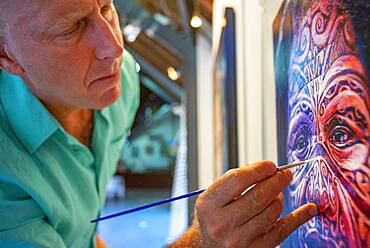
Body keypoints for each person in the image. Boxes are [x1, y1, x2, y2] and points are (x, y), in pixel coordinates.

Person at [0, 1, 318, 247]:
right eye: (71, 28)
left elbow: (82, 225)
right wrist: (200, 243)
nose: (115, 47)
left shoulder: (121, 83)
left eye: (106, 7)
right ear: (7, 55)